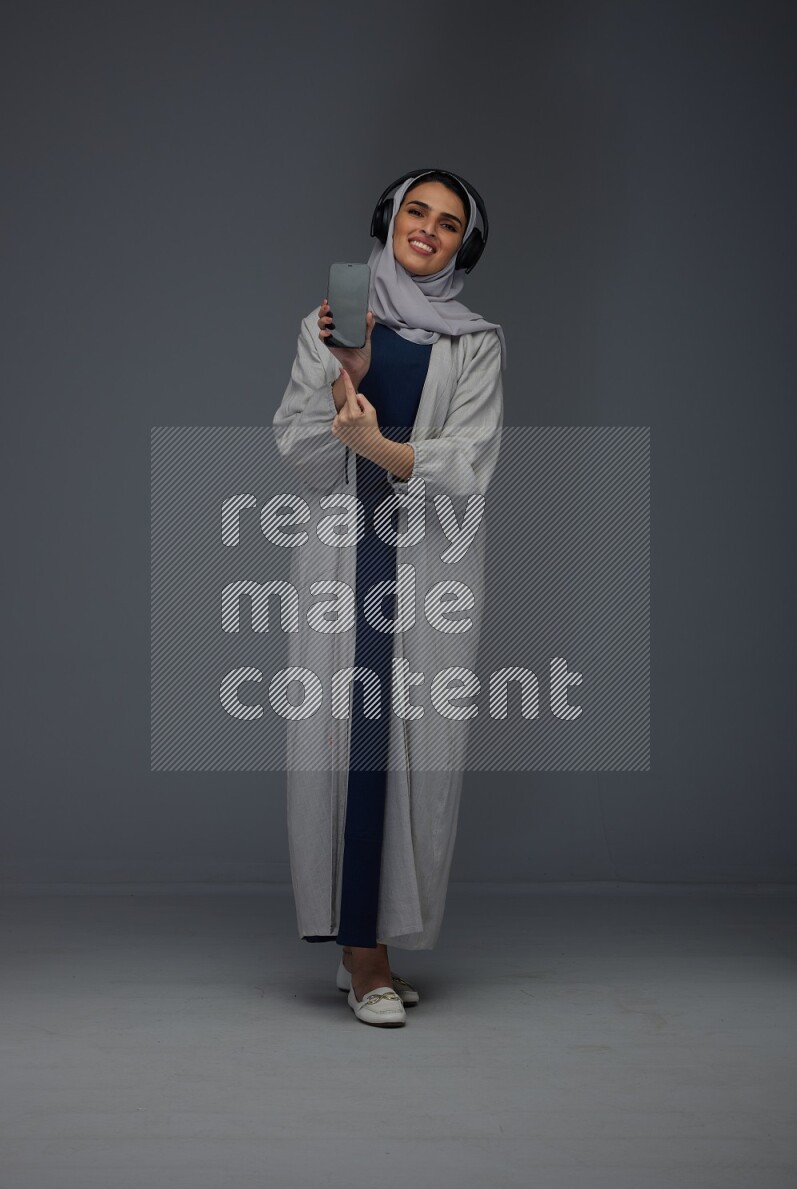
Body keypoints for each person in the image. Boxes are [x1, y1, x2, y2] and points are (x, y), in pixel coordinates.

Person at [273, 169, 506, 1027]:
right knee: (347, 740)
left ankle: (366, 941)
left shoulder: (475, 344)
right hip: (345, 551)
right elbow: (297, 447)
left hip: (427, 563)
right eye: (417, 211)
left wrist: (384, 446)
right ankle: (363, 955)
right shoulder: (329, 324)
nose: (428, 230)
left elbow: (471, 463)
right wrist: (347, 380)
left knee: (416, 745)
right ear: (390, 218)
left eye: (448, 223)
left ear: (461, 245)